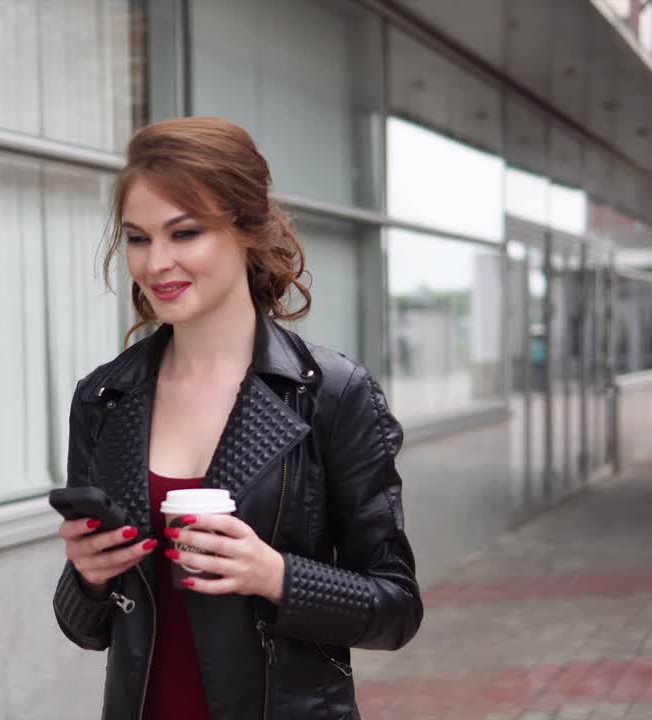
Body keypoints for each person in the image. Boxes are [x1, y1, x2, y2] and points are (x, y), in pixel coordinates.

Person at [52, 117, 423, 719]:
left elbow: (397, 608)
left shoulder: (329, 393)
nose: (156, 263)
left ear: (248, 229)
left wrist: (275, 575)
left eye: (186, 232)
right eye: (139, 239)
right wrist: (88, 578)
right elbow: (86, 628)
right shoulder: (105, 397)